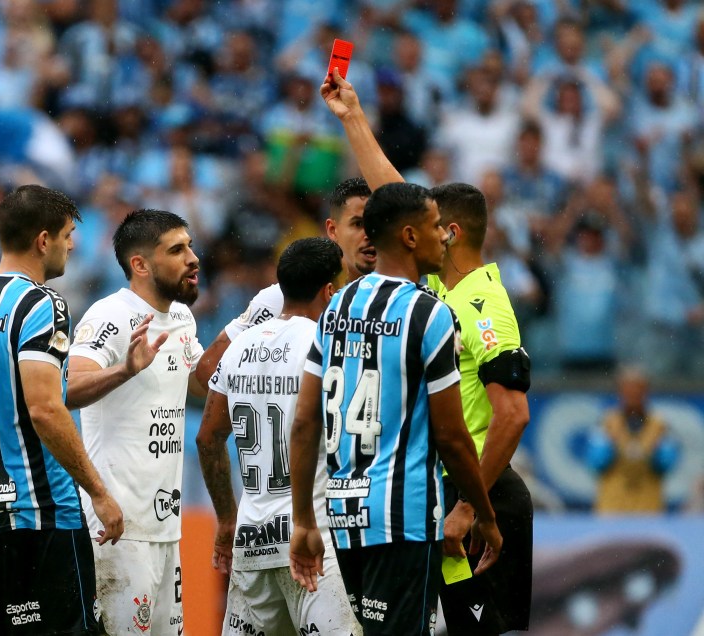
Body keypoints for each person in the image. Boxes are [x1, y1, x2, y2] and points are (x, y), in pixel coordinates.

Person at [322, 68, 533, 635]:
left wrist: (470, 505)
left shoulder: (485, 305)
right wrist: (353, 117)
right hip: (442, 495)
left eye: (435, 223)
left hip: (483, 492)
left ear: (452, 232)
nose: (422, 230)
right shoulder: (438, 287)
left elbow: (512, 414)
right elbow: (396, 196)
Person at [289, 182, 502, 636]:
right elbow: (451, 437)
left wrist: (306, 517)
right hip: (402, 519)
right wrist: (483, 514)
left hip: (345, 517)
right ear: (409, 236)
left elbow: (305, 422)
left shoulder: (336, 306)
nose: (445, 236)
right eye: (435, 226)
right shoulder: (430, 314)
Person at [0, 185, 123, 634]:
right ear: (43, 240)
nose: (72, 244)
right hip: (41, 518)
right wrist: (98, 492)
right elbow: (44, 409)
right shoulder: (42, 304)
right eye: (68, 234)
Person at [196, 237, 361, 636]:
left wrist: (226, 520)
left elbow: (207, 437)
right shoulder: (327, 345)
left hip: (252, 540)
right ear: (329, 291)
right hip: (313, 540)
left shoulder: (239, 347)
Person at [66, 208, 207, 635]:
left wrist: (241, 335)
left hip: (165, 525)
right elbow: (67, 386)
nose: (193, 258)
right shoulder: (110, 315)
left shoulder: (181, 317)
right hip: (117, 528)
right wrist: (125, 369)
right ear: (140, 264)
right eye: (177, 249)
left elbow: (202, 380)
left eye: (190, 245)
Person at [195, 173, 404, 387]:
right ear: (333, 230)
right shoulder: (281, 296)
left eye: (377, 224)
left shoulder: (405, 303)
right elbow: (207, 369)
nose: (369, 234)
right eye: (358, 224)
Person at [587, 365, 680, 514]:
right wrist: (609, 446)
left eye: (638, 389)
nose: (633, 394)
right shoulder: (606, 423)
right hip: (612, 508)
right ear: (620, 391)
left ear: (646, 391)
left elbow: (667, 465)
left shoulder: (660, 425)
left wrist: (657, 452)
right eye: (628, 389)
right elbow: (595, 463)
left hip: (649, 509)